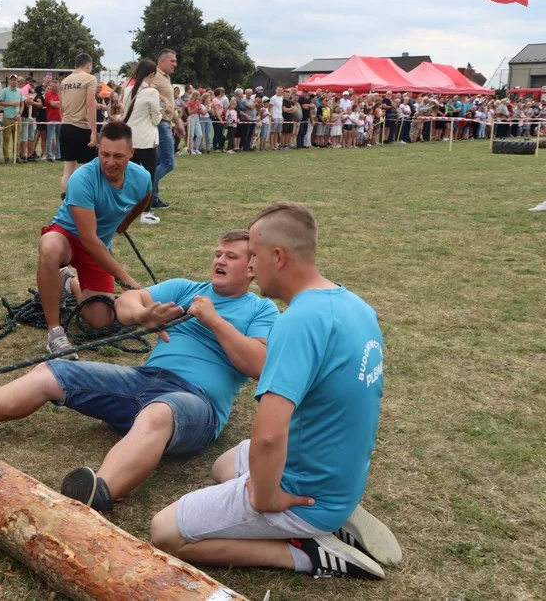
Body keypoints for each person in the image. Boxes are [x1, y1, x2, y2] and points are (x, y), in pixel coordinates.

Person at [0, 226, 279, 511]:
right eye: (217, 253)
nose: (219, 260)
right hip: (143, 380)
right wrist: (142, 314)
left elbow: (260, 365)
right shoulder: (188, 288)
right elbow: (128, 301)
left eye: (230, 256)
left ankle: (97, 493)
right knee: (51, 372)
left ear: (251, 267)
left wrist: (215, 322)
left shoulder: (261, 311)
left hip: (196, 405)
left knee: (159, 413)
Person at [151, 202, 402, 581]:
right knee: (223, 465)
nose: (250, 266)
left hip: (304, 490)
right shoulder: (356, 306)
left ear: (278, 257)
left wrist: (266, 498)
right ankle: (332, 513)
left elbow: (268, 436)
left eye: (253, 255)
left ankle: (306, 553)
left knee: (164, 532)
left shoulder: (296, 322)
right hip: (343, 477)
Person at [34, 121, 151, 355]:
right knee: (49, 248)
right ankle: (55, 332)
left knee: (101, 322)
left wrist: (124, 224)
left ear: (131, 153)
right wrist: (125, 278)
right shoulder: (82, 178)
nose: (110, 162)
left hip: (98, 249)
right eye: (104, 154)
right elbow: (87, 239)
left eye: (118, 156)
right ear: (97, 149)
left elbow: (144, 197)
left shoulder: (142, 177)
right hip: (68, 238)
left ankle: (68, 282)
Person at [122, 60, 161, 225]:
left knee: (129, 176)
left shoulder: (127, 90)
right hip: (146, 139)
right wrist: (162, 113)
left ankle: (127, 208)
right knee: (149, 176)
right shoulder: (151, 92)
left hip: (131, 139)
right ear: (151, 74)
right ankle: (146, 211)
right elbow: (156, 118)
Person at [58, 54, 99, 194]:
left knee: (68, 169)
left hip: (65, 126)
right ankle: (86, 200)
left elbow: (61, 108)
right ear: (88, 65)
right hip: (81, 127)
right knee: (89, 169)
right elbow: (90, 105)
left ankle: (66, 203)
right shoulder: (90, 79)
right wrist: (94, 131)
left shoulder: (64, 81)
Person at [150, 50, 183, 209]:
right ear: (162, 61)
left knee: (157, 162)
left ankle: (153, 198)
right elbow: (146, 95)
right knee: (168, 163)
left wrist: (177, 122)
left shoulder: (166, 78)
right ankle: (146, 189)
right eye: (172, 61)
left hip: (165, 123)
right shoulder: (154, 76)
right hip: (160, 123)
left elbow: (171, 105)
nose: (175, 64)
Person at [0, 74, 23, 164]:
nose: (13, 81)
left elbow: (22, 104)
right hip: (7, 117)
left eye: (15, 80)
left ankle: (16, 156)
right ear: (10, 81)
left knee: (17, 138)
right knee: (6, 138)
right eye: (12, 80)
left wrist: (20, 113)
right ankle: (6, 157)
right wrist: (11, 104)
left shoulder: (19, 92)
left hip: (17, 118)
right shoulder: (5, 91)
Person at [44, 80, 62, 161]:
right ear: (51, 87)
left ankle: (58, 155)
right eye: (53, 86)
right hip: (51, 119)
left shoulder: (60, 94)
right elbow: (52, 104)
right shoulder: (48, 94)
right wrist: (60, 103)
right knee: (50, 138)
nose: (55, 88)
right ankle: (49, 156)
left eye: (56, 86)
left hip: (60, 119)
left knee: (59, 139)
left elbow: (63, 104)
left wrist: (57, 103)